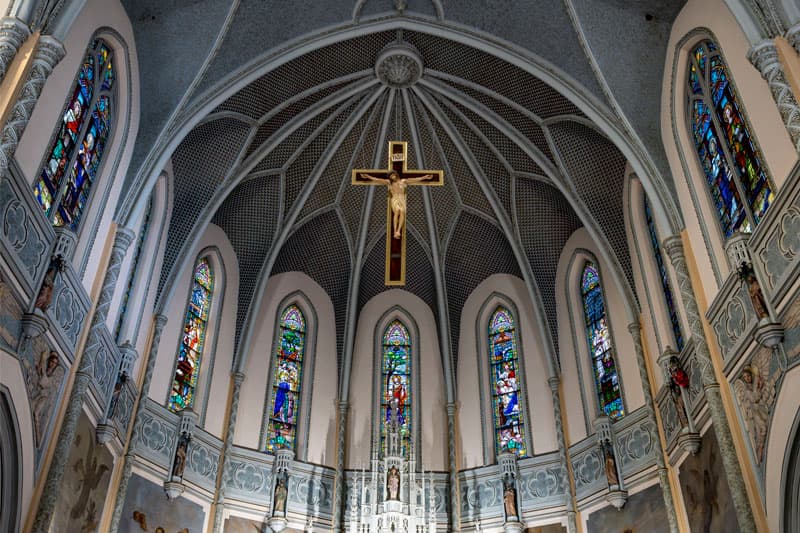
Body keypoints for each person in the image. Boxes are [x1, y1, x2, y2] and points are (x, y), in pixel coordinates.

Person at [358, 170, 433, 239]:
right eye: (390, 176)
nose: (392, 177)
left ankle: (398, 231)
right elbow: (377, 180)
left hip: (402, 199)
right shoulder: (389, 182)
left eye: (393, 175)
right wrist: (368, 176)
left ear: (396, 174)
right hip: (395, 198)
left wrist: (424, 177)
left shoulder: (403, 181)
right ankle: (394, 231)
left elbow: (415, 179)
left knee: (402, 212)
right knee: (397, 211)